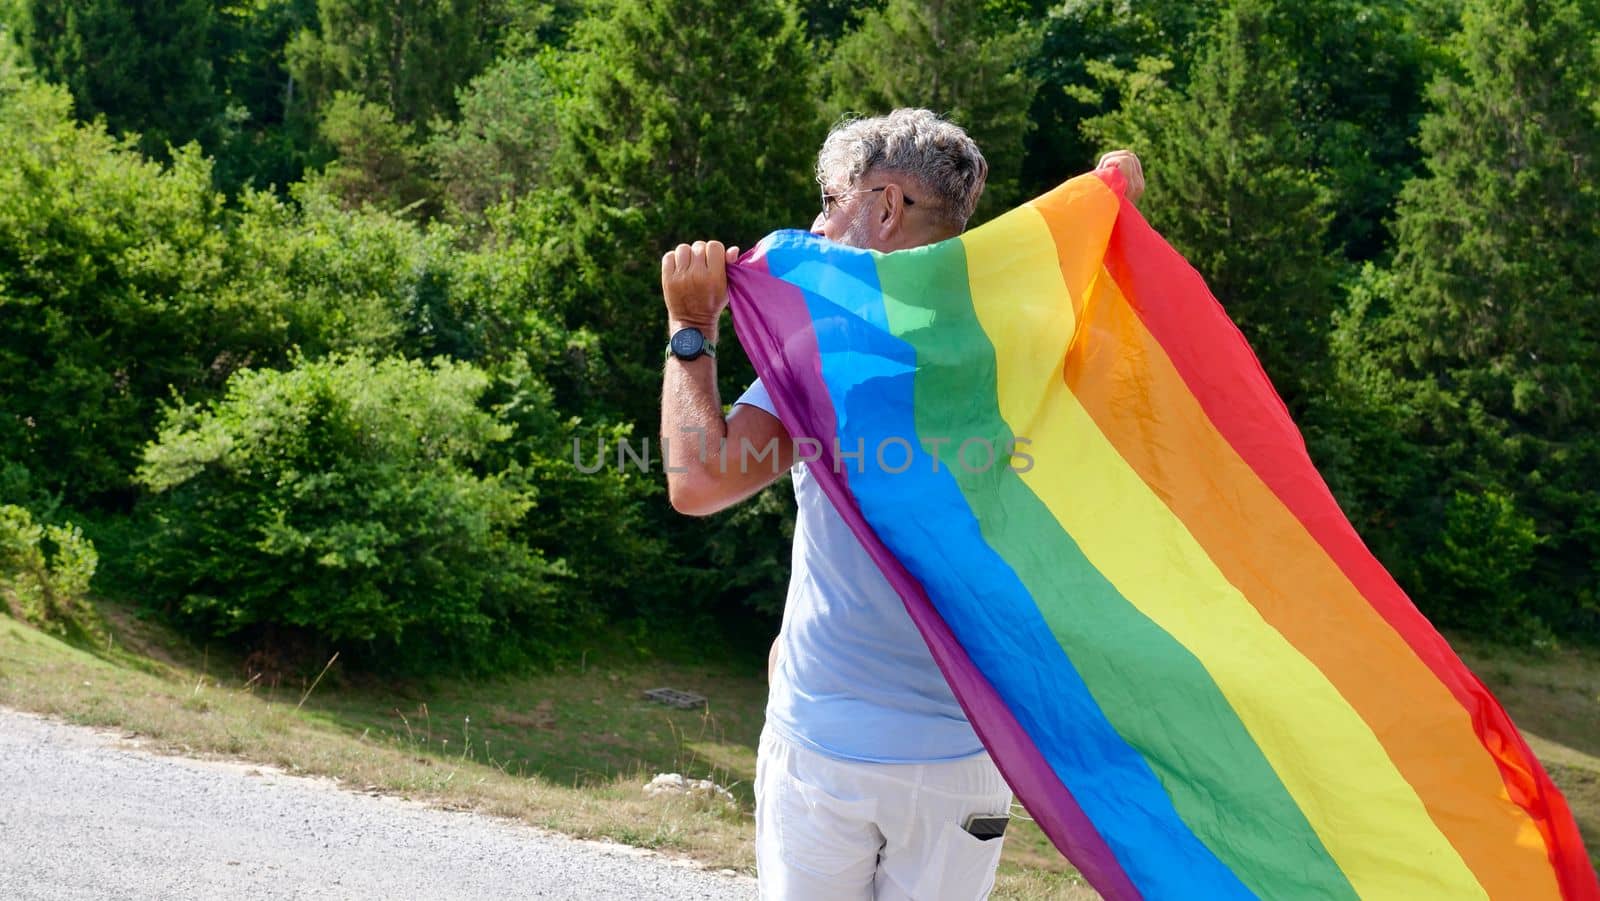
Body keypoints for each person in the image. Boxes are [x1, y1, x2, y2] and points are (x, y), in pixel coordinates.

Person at [659, 108, 1144, 900]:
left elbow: (698, 478)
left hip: (828, 740)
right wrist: (1109, 211)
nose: (816, 224)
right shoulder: (1024, 349)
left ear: (881, 207)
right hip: (967, 752)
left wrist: (690, 327)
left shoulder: (828, 352)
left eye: (829, 199)